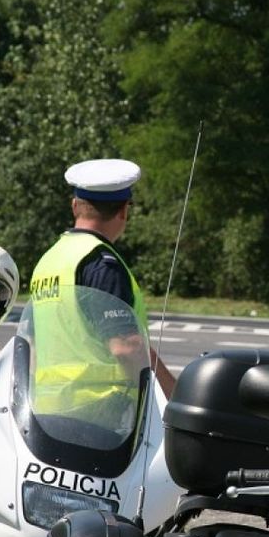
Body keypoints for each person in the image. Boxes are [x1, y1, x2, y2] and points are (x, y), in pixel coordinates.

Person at [30, 158, 176, 409]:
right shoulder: (100, 264)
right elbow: (126, 347)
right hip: (101, 415)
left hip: (46, 412)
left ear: (75, 206)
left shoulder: (49, 261)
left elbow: (33, 345)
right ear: (123, 211)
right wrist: (173, 398)